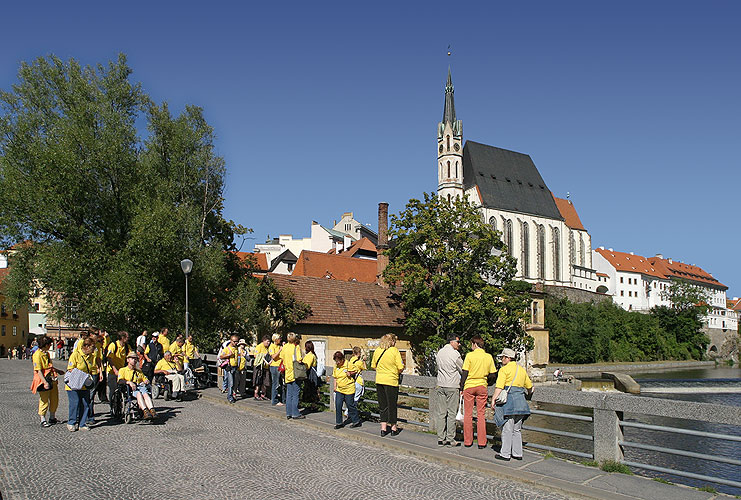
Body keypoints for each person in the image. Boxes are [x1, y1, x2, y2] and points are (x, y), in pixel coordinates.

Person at [493, 348, 533, 461]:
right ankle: (517, 453)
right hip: (521, 402)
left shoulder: (504, 370)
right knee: (517, 429)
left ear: (508, 358)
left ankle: (505, 454)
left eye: (503, 357)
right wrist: (529, 394)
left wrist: (493, 400)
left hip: (509, 403)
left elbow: (499, 387)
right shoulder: (521, 370)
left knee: (507, 429)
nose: (501, 360)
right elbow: (529, 387)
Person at [459, 335, 497, 449]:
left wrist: (462, 388)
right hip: (482, 386)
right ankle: (482, 442)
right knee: (481, 415)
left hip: (469, 386)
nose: (471, 346)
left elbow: (464, 373)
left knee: (468, 414)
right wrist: (487, 383)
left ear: (475, 344)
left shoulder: (469, 356)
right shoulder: (488, 357)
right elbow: (493, 374)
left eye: (472, 344)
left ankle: (467, 441)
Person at [371, 333, 404, 437]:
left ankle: (383, 428)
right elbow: (400, 367)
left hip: (380, 380)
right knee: (392, 405)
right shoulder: (394, 351)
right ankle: (393, 427)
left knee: (382, 405)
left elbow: (373, 365)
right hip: (391, 381)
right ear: (392, 341)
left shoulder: (377, 350)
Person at [434, 334, 463, 446]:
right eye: (458, 342)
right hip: (452, 385)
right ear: (452, 342)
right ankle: (450, 438)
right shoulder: (455, 354)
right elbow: (462, 367)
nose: (459, 344)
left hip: (440, 384)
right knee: (451, 413)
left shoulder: (440, 352)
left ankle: (441, 437)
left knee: (441, 412)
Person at [31, 336, 64, 427]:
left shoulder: (46, 354)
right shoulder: (37, 355)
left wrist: (57, 371)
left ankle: (52, 417)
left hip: (51, 378)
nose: (50, 346)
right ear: (45, 345)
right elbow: (38, 371)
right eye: (49, 344)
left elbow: (49, 366)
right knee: (44, 400)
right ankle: (43, 419)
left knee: (54, 399)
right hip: (43, 380)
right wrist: (44, 382)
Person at [66, 338, 96, 431]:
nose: (94, 349)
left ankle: (82, 423)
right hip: (73, 384)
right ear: (86, 346)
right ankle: (71, 422)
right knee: (75, 403)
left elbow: (93, 368)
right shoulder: (75, 355)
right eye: (92, 347)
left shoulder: (91, 356)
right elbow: (70, 368)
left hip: (84, 384)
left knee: (85, 403)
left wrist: (92, 377)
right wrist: (82, 376)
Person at [118, 352, 156, 419]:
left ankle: (152, 410)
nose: (134, 360)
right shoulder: (122, 370)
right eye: (132, 358)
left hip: (139, 387)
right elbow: (120, 380)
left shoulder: (139, 371)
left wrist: (146, 381)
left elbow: (144, 379)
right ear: (128, 360)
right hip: (129, 389)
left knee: (145, 394)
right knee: (138, 393)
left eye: (135, 359)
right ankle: (145, 411)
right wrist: (129, 382)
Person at [278, 332, 305, 420]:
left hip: (287, 373)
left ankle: (288, 412)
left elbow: (281, 357)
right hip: (295, 372)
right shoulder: (296, 347)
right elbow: (299, 359)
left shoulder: (285, 347)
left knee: (289, 394)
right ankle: (295, 413)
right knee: (295, 394)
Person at [332, 351, 361, 429]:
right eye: (336, 361)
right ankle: (339, 422)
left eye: (338, 361)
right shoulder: (336, 366)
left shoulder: (348, 364)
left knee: (350, 405)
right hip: (339, 389)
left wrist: (350, 373)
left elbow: (356, 371)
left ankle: (356, 421)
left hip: (349, 389)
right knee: (338, 405)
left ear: (342, 360)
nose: (337, 363)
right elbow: (335, 377)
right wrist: (335, 386)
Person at [106, 331, 130, 409]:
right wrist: (115, 369)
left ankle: (121, 406)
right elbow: (109, 358)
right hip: (113, 371)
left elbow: (131, 356)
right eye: (127, 337)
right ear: (122, 338)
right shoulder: (113, 345)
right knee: (113, 390)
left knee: (124, 389)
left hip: (122, 372)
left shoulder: (127, 347)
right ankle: (112, 407)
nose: (128, 338)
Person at [218, 335, 239, 403]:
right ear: (231, 341)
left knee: (235, 382)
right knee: (231, 383)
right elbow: (221, 356)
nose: (236, 343)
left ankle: (232, 395)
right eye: (234, 341)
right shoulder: (227, 348)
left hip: (235, 366)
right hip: (229, 367)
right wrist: (228, 355)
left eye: (237, 341)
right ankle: (229, 396)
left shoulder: (236, 348)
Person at [301, 340, 319, 408]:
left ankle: (313, 405)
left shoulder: (310, 355)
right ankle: (313, 405)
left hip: (311, 374)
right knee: (311, 389)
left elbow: (307, 366)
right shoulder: (311, 354)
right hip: (311, 374)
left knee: (311, 389)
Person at [253, 336, 271, 400]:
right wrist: (263, 355)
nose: (268, 343)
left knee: (265, 381)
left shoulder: (268, 348)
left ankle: (263, 394)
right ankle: (256, 393)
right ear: (263, 341)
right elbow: (255, 355)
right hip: (259, 366)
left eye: (269, 341)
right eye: (267, 341)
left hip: (265, 367)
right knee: (258, 380)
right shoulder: (259, 346)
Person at [268, 333, 283, 406]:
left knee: (280, 383)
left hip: (280, 366)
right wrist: (279, 350)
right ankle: (274, 400)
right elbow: (273, 356)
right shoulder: (272, 346)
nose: (280, 340)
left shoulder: (279, 346)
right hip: (274, 366)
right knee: (275, 383)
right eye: (279, 338)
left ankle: (281, 399)